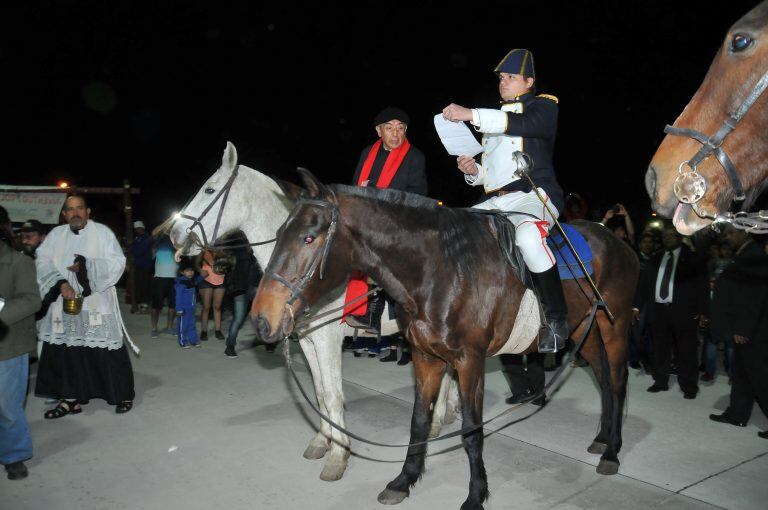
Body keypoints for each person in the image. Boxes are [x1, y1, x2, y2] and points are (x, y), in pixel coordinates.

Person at [442, 48, 567, 353]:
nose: (503, 83)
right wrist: (473, 172)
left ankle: (556, 320)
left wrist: (470, 114)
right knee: (448, 231)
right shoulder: (495, 125)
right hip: (496, 201)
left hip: (532, 196)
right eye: (501, 78)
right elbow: (493, 176)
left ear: (529, 81)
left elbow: (526, 126)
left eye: (511, 77)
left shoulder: (544, 106)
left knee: (527, 237)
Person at [34, 194, 135, 417]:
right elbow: (42, 261)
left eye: (80, 208)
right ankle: (70, 399)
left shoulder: (102, 233)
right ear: (64, 214)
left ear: (88, 212)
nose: (75, 213)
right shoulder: (56, 235)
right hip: (64, 304)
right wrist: (60, 284)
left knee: (107, 350)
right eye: (70, 209)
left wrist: (86, 267)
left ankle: (121, 394)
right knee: (66, 351)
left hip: (97, 302)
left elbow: (117, 262)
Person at [345, 106, 428, 336]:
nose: (395, 134)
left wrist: (378, 193)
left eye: (400, 129)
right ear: (379, 131)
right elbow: (355, 187)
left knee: (377, 247)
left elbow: (418, 195)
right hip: (367, 219)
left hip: (401, 221)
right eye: (389, 128)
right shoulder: (367, 153)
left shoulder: (414, 157)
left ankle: (373, 309)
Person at [709, 227, 768, 439]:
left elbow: (755, 297)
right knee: (742, 375)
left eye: (733, 233)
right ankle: (737, 414)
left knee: (760, 377)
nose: (728, 237)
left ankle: (738, 414)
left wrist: (742, 328)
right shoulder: (745, 254)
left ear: (746, 234)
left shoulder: (754, 256)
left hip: (753, 331)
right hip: (746, 329)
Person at [637, 225, 707, 399]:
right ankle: (660, 381)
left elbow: (702, 286)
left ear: (680, 237)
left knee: (687, 351)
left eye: (671, 235)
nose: (667, 238)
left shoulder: (692, 259)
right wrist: (636, 306)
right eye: (665, 235)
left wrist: (703, 311)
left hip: (684, 312)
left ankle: (689, 386)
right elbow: (644, 285)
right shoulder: (656, 257)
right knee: (660, 349)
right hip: (659, 311)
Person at [0, 206, 42, 480]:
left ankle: (14, 455)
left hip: (8, 345)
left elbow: (31, 299)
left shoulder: (18, 262)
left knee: (6, 405)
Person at [223, 233, 262, 358]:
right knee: (238, 318)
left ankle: (265, 341)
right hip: (241, 288)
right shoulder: (239, 248)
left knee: (261, 316)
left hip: (256, 288)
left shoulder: (260, 249)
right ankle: (230, 346)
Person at [150, 233, 178, 338]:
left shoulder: (176, 243)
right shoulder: (158, 243)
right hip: (160, 277)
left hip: (174, 278)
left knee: (173, 305)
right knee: (156, 305)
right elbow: (151, 255)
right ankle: (154, 328)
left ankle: (169, 328)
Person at [196, 249, 225, 341]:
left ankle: (218, 330)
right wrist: (200, 270)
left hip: (220, 280)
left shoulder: (223, 249)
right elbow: (196, 263)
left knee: (217, 307)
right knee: (206, 307)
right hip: (206, 279)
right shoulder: (204, 249)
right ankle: (204, 331)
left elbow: (229, 263)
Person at [174, 262, 203, 349]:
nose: (190, 273)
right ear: (182, 272)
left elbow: (198, 280)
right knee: (183, 326)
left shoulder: (191, 281)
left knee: (192, 325)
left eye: (192, 271)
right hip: (183, 309)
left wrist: (204, 274)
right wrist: (179, 309)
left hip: (191, 308)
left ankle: (193, 340)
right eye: (187, 271)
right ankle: (183, 341)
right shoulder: (181, 283)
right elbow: (178, 296)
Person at [129, 220, 153, 314]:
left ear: (142, 228)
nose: (137, 230)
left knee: (145, 285)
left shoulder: (147, 238)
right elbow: (133, 249)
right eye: (136, 229)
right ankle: (140, 304)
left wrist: (132, 248)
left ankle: (145, 304)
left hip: (145, 265)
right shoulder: (137, 238)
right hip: (138, 265)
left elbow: (138, 251)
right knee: (138, 285)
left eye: (139, 228)